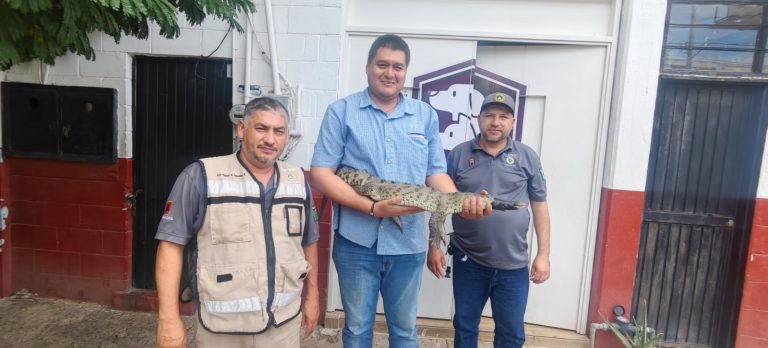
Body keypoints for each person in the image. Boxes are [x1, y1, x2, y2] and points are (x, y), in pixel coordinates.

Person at [310, 34, 488, 347]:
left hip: (408, 243)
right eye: (382, 64)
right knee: (357, 329)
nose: (389, 73)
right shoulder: (342, 112)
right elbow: (322, 174)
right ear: (367, 67)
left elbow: (435, 173)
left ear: (405, 72)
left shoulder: (424, 115)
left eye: (398, 67)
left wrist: (462, 203)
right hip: (355, 243)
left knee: (405, 331)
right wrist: (371, 208)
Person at [154, 97, 320, 348]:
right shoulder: (201, 176)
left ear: (287, 137)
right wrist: (168, 319)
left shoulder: (297, 181)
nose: (270, 139)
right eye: (261, 128)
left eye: (279, 131)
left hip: (283, 328)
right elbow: (170, 246)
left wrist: (313, 295)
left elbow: (309, 241)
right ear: (242, 129)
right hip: (221, 330)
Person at [427, 92, 551, 348]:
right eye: (490, 115)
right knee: (464, 327)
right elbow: (439, 202)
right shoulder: (459, 155)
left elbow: (540, 206)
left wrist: (544, 255)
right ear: (479, 118)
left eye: (503, 116)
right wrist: (434, 246)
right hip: (468, 259)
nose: (496, 122)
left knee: (511, 335)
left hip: (513, 264)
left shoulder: (527, 156)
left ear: (513, 122)